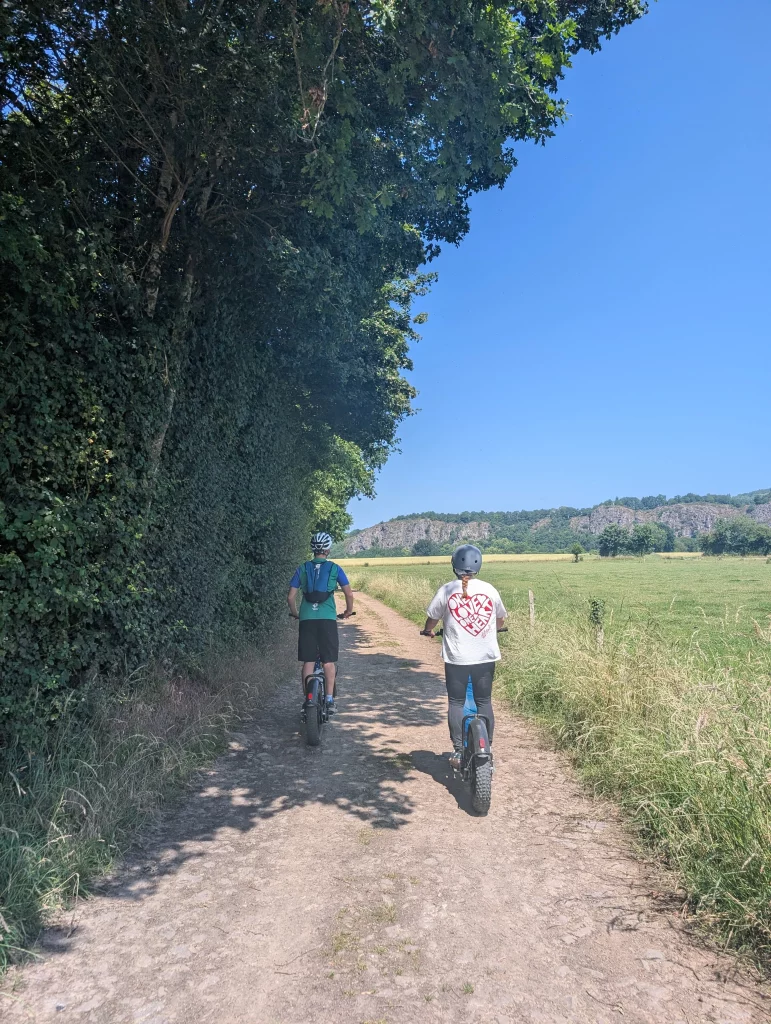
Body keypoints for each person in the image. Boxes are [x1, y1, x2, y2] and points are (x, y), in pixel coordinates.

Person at [421, 544, 507, 768]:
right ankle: (487, 750)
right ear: (478, 565)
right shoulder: (490, 590)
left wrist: (429, 630)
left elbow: (432, 617)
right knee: (484, 701)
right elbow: (500, 619)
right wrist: (493, 628)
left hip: (457, 659)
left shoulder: (447, 590)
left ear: (454, 565)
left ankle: (459, 751)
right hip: (485, 657)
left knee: (456, 702)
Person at [288, 531, 354, 714]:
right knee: (328, 661)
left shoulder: (302, 568)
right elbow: (349, 593)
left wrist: (296, 614)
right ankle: (330, 699)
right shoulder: (334, 568)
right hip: (327, 619)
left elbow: (291, 596)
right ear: (327, 549)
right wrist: (348, 611)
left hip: (307, 619)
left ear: (313, 549)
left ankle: (307, 700)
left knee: (308, 661)